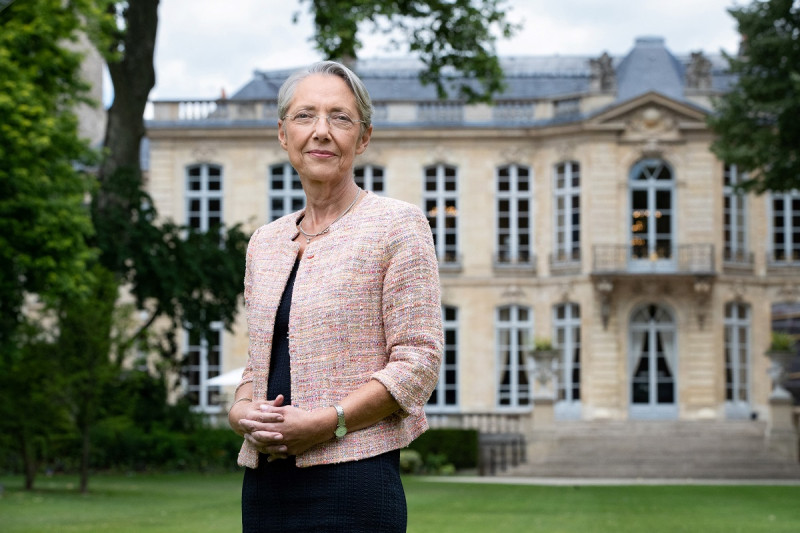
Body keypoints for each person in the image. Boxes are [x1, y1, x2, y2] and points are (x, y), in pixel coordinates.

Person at [227, 60, 444, 533]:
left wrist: (328, 423)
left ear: (363, 137)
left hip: (356, 482)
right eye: (305, 116)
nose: (321, 132)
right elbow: (257, 363)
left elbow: (419, 361)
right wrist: (241, 410)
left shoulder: (397, 225)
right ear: (283, 134)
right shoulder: (264, 241)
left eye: (340, 118)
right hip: (265, 486)